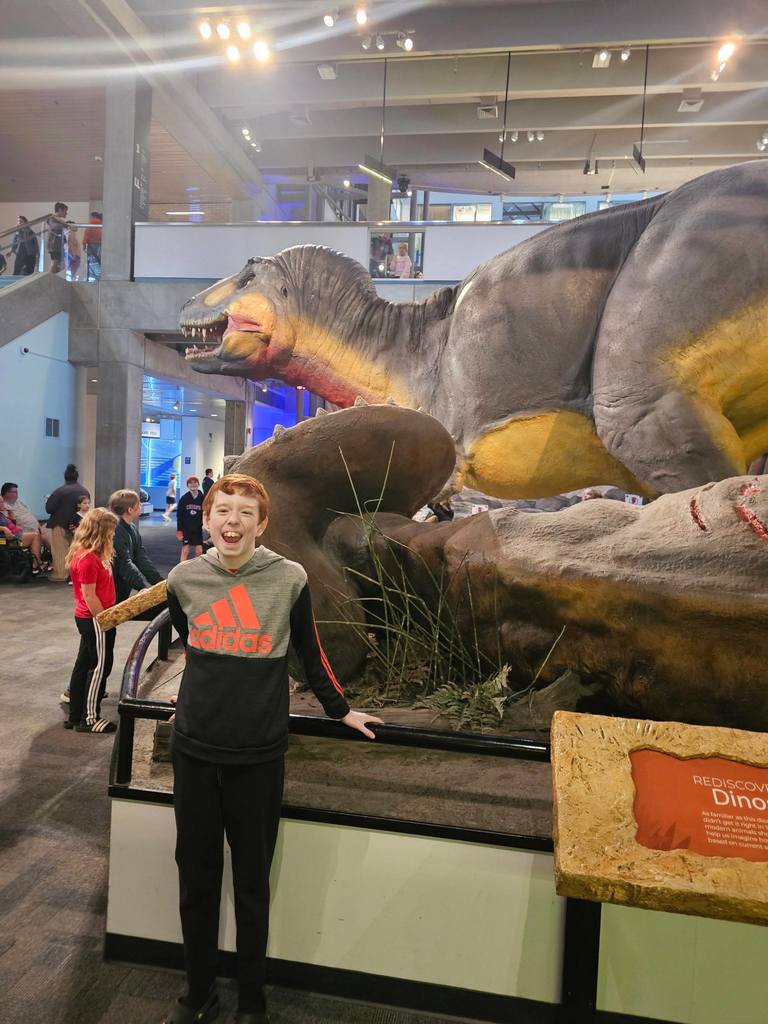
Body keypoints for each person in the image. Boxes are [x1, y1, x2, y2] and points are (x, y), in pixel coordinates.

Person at [162, 473, 382, 1024]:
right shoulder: (184, 578)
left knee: (252, 882)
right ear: (206, 519)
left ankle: (252, 999)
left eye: (245, 514)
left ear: (262, 525)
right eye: (222, 511)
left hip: (258, 752)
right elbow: (193, 648)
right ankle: (198, 992)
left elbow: (311, 652)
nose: (232, 522)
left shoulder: (289, 579)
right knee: (196, 876)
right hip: (194, 747)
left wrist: (341, 710)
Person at [64, 508, 118, 734]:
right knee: (100, 667)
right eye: (111, 531)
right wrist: (104, 620)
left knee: (84, 664)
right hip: (95, 619)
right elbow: (89, 595)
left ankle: (75, 715)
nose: (113, 535)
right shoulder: (87, 559)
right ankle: (90, 718)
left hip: (94, 618)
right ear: (101, 531)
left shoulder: (96, 555)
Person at [109, 488, 164, 603]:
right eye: (138, 504)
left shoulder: (132, 528)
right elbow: (125, 563)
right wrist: (142, 587)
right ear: (130, 510)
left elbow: (140, 557)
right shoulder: (117, 531)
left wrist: (159, 583)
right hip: (112, 588)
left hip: (123, 586)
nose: (141, 506)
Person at [45, 464, 90, 581]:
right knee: (77, 550)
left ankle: (61, 574)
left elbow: (49, 508)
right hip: (80, 525)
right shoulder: (84, 490)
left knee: (61, 550)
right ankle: (77, 574)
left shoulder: (60, 491)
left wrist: (48, 499)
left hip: (60, 522)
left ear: (65, 477)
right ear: (77, 477)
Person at [1, 481, 52, 550]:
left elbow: (29, 515)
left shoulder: (18, 502)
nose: (17, 494)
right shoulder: (4, 506)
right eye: (14, 492)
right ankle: (57, 557)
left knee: (53, 526)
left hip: (37, 528)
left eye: (17, 492)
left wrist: (38, 525)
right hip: (24, 533)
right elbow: (9, 523)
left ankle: (61, 554)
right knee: (45, 536)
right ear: (6, 493)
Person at [0, 496, 45, 574]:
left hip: (16, 534)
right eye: (0, 502)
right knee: (35, 535)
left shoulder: (1, 514)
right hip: (10, 539)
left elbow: (13, 522)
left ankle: (37, 562)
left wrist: (10, 511)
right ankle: (36, 563)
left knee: (38, 535)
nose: (2, 504)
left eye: (2, 502)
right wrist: (4, 529)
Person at [176, 476, 204, 561]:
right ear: (187, 485)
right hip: (186, 528)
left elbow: (207, 513)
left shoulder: (203, 498)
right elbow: (179, 515)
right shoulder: (184, 498)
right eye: (190, 483)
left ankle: (196, 569)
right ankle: (181, 569)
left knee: (199, 551)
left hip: (198, 528)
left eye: (195, 482)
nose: (193, 484)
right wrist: (179, 530)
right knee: (185, 550)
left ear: (198, 484)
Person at [46, 202, 69, 274]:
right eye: (65, 211)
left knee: (58, 264)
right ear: (60, 210)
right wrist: (66, 225)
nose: (66, 213)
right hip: (54, 244)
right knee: (55, 262)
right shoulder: (52, 218)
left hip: (57, 245)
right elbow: (54, 227)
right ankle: (49, 279)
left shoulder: (57, 219)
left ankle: (52, 278)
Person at [82, 211, 102, 281]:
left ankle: (92, 278)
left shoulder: (91, 224)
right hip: (100, 245)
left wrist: (84, 243)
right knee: (99, 261)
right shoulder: (101, 224)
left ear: (93, 217)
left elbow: (86, 234)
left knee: (91, 262)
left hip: (91, 244)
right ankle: (100, 277)